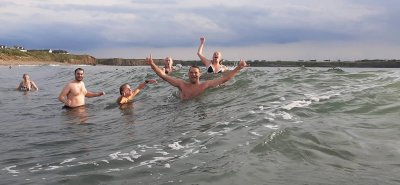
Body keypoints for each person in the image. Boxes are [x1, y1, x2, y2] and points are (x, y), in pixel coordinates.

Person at [146, 55, 247, 100]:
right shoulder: (181, 84)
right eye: (191, 73)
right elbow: (164, 76)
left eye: (195, 73)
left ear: (199, 74)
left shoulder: (205, 85)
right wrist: (152, 64)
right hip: (182, 107)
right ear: (188, 74)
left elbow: (224, 79)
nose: (194, 74)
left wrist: (238, 68)